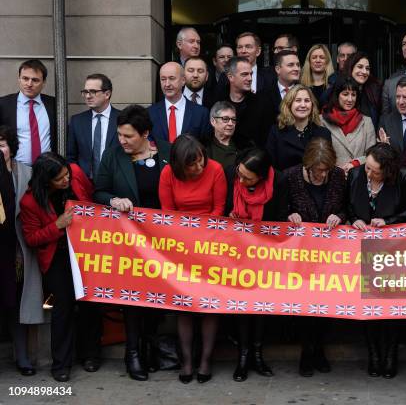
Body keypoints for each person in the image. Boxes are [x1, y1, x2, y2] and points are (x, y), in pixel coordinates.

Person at [94, 105, 171, 381]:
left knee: (156, 298)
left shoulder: (167, 151)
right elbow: (99, 190)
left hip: (163, 242)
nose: (122, 141)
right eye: (119, 135)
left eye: (128, 136)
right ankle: (133, 353)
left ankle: (150, 347)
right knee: (134, 299)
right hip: (129, 242)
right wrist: (113, 200)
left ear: (145, 134)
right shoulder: (112, 155)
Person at [158, 134, 226, 384]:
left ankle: (206, 360)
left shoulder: (215, 169)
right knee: (184, 305)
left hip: (210, 245)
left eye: (201, 161)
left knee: (209, 305)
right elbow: (168, 213)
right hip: (180, 245)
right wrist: (185, 241)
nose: (199, 167)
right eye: (193, 165)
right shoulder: (167, 174)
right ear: (179, 166)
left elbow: (219, 210)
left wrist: (203, 239)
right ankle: (187, 361)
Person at [19, 153, 92, 382]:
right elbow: (31, 239)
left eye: (66, 174)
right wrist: (57, 225)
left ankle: (90, 355)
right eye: (60, 178)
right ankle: (61, 364)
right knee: (63, 307)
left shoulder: (75, 176)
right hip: (56, 256)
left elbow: (90, 201)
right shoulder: (30, 202)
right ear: (46, 180)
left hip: (83, 250)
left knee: (90, 302)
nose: (66, 180)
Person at [346, 143, 406, 378]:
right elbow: (347, 206)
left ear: (388, 170)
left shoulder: (404, 178)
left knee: (390, 307)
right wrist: (353, 219)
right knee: (368, 304)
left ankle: (390, 354)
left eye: (375, 171)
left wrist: (390, 221)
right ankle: (374, 354)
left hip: (392, 249)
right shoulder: (355, 174)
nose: (369, 173)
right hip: (361, 248)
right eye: (368, 167)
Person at [281, 138, 345, 376]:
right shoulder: (290, 177)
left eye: (326, 170)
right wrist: (291, 215)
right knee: (305, 307)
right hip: (300, 254)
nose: (322, 175)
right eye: (318, 170)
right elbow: (280, 210)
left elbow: (346, 208)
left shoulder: (338, 176)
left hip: (329, 253)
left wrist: (339, 216)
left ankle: (319, 349)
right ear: (307, 165)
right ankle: (307, 352)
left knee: (324, 306)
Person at [224, 148, 286, 382]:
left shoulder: (278, 180)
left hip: (265, 251)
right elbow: (220, 209)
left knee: (260, 305)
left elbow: (280, 217)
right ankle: (243, 356)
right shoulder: (231, 174)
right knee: (241, 305)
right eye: (240, 174)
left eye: (248, 178)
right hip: (236, 251)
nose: (241, 180)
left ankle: (258, 354)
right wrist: (229, 216)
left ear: (261, 176)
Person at [0, 126, 40, 377]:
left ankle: (22, 356)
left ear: (11, 146)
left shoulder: (25, 172)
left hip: (16, 249)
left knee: (14, 300)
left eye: (2, 143)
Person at [0, 59, 56, 165]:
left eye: (35, 80)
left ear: (43, 82)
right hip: (15, 168)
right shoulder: (3, 104)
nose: (29, 84)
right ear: (19, 79)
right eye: (25, 78)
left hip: (47, 169)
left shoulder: (54, 104)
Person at [214, 56, 275, 148]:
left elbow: (266, 141)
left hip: (252, 158)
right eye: (244, 74)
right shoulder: (217, 102)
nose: (250, 78)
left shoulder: (262, 103)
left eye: (251, 74)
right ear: (230, 77)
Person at [266, 85, 331, 171]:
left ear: (312, 105)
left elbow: (327, 167)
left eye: (307, 101)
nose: (303, 105)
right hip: (284, 182)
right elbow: (271, 168)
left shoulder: (323, 133)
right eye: (298, 100)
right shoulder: (276, 132)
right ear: (289, 104)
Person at [67, 73, 119, 180]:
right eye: (85, 92)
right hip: (84, 183)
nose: (87, 96)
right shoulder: (77, 121)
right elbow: (70, 156)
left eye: (93, 92)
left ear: (107, 94)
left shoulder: (122, 118)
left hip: (115, 182)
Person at [321, 77, 376, 174]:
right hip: (332, 178)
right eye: (345, 94)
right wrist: (337, 170)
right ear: (337, 95)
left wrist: (355, 164)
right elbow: (320, 154)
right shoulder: (322, 120)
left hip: (359, 177)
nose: (350, 99)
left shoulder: (366, 121)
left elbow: (372, 154)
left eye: (353, 95)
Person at [148, 62, 210, 143]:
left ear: (183, 80)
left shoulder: (201, 113)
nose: (167, 84)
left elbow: (205, 145)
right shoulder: (149, 113)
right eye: (163, 79)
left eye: (172, 78)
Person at [378, 76, 406, 154]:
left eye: (405, 97)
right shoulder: (386, 122)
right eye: (398, 97)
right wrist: (384, 149)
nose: (400, 102)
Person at [342, 52, 382, 127]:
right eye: (360, 67)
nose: (364, 72)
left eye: (367, 68)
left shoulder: (374, 91)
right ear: (351, 67)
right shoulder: (338, 89)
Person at [205, 101, 245, 169]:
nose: (231, 123)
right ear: (213, 121)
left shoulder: (245, 145)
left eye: (233, 119)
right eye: (225, 119)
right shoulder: (203, 147)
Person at [272, 50, 301, 114]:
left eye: (298, 65)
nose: (296, 69)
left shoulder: (306, 92)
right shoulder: (264, 94)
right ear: (278, 69)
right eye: (290, 65)